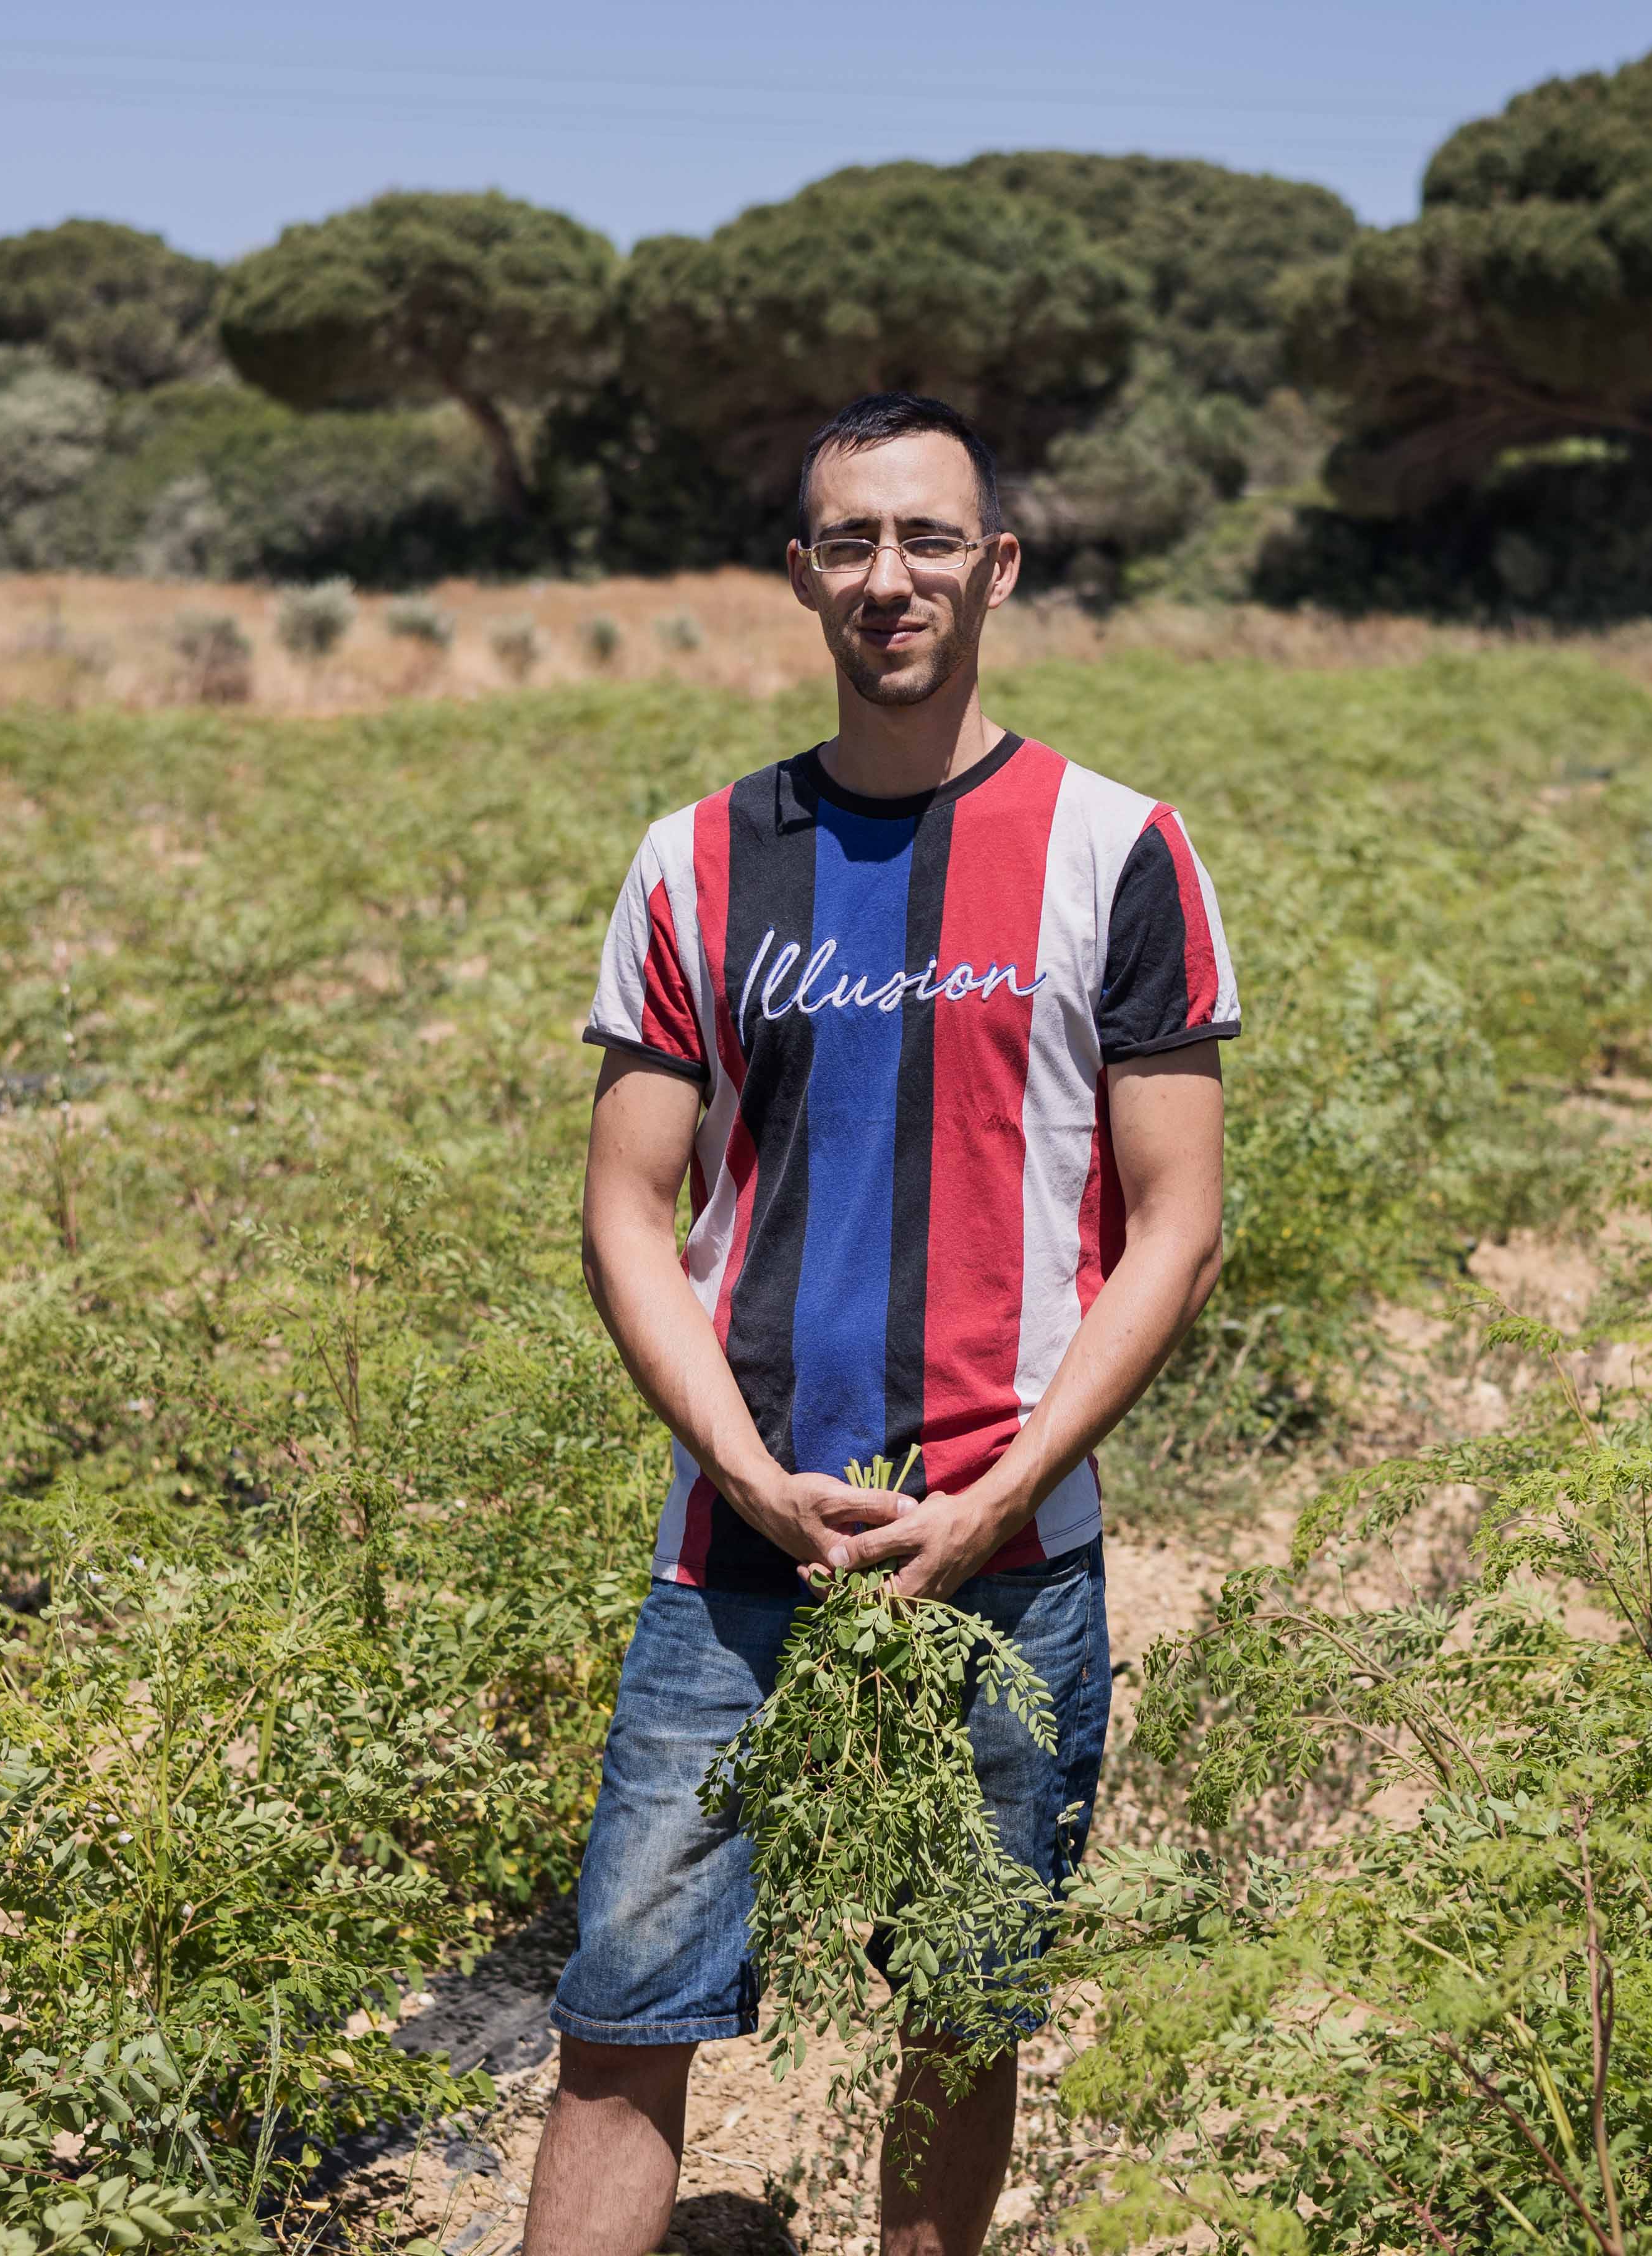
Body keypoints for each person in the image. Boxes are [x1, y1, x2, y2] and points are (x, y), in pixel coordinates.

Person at [524, 392, 1238, 2256]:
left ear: (997, 568)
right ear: (801, 577)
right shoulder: (698, 858)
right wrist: (749, 1476)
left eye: (927, 538)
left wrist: (1001, 1499)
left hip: (1009, 1554)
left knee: (959, 2015)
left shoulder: (1120, 850)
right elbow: (627, 1204)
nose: (889, 577)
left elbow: (1178, 1225)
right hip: (735, 1555)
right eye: (849, 541)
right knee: (625, 2010)